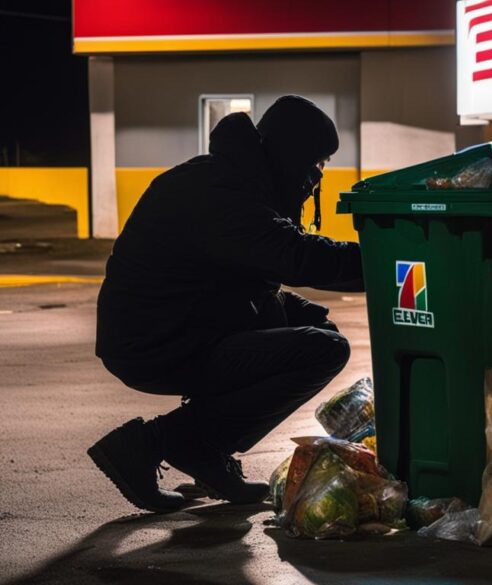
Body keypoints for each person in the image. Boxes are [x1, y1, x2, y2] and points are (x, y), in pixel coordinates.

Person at [88, 95, 362, 513]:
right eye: (314, 162)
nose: (316, 177)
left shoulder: (239, 179)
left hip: (182, 326)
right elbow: (294, 256)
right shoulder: (220, 191)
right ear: (288, 155)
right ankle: (160, 442)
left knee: (312, 326)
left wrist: (294, 309)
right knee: (325, 350)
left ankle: (202, 450)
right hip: (155, 342)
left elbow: (241, 274)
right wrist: (391, 258)